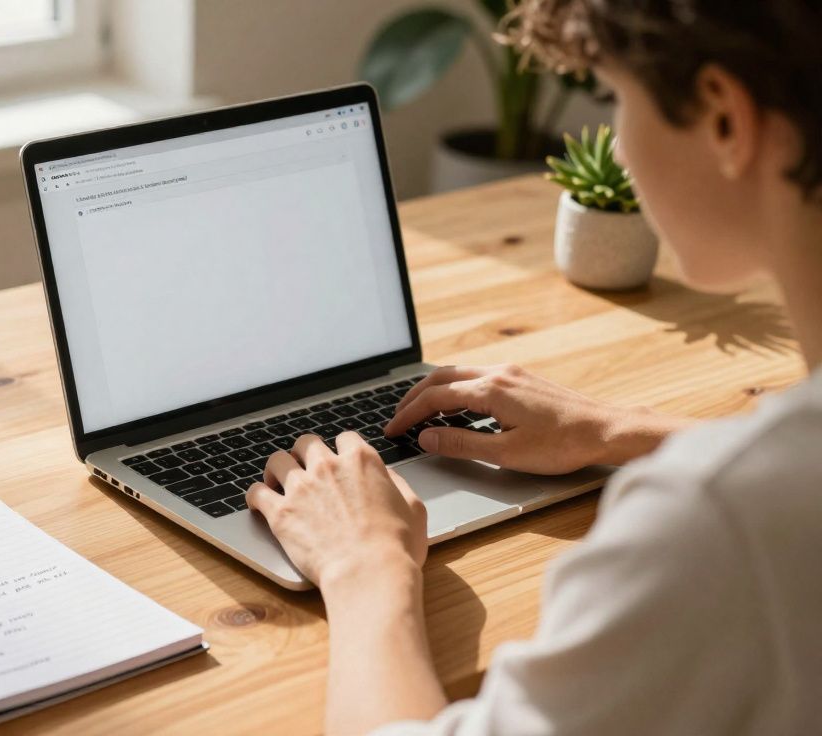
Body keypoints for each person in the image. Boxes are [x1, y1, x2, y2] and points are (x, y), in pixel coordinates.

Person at [245, 1, 822, 733]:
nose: (616, 141)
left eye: (618, 99)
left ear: (725, 121)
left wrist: (366, 564)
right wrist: (630, 429)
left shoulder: (712, 532)